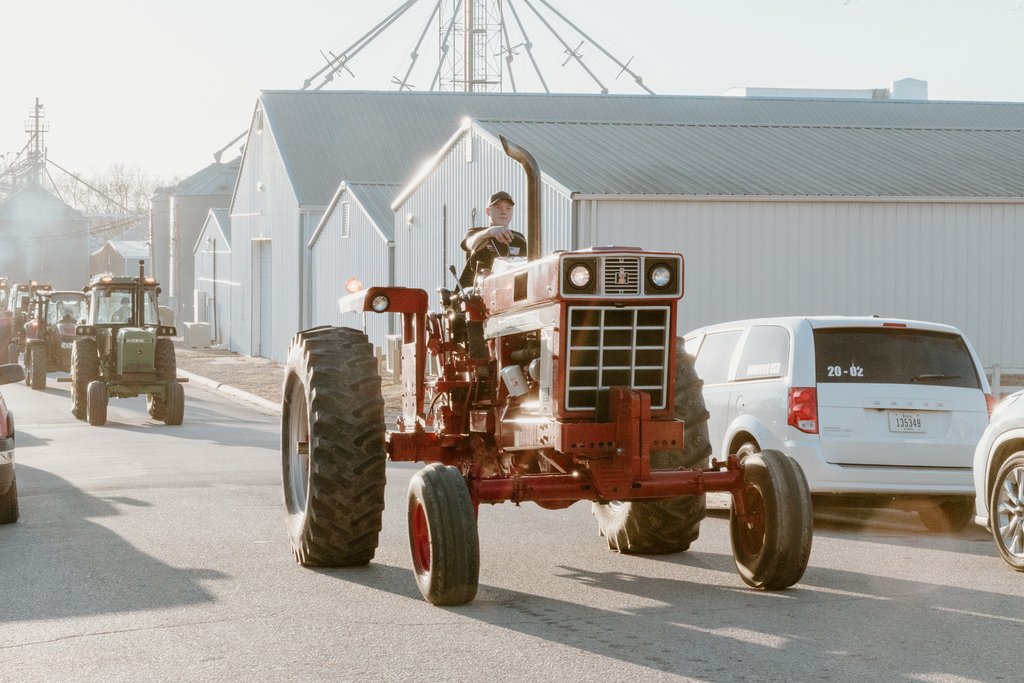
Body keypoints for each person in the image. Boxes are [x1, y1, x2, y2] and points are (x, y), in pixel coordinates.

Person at [459, 191, 526, 287]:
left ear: (512, 213)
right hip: (476, 290)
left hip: (509, 288)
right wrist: (490, 232)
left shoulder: (518, 239)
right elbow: (470, 243)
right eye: (498, 207)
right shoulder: (476, 233)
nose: (503, 212)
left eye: (508, 208)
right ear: (488, 211)